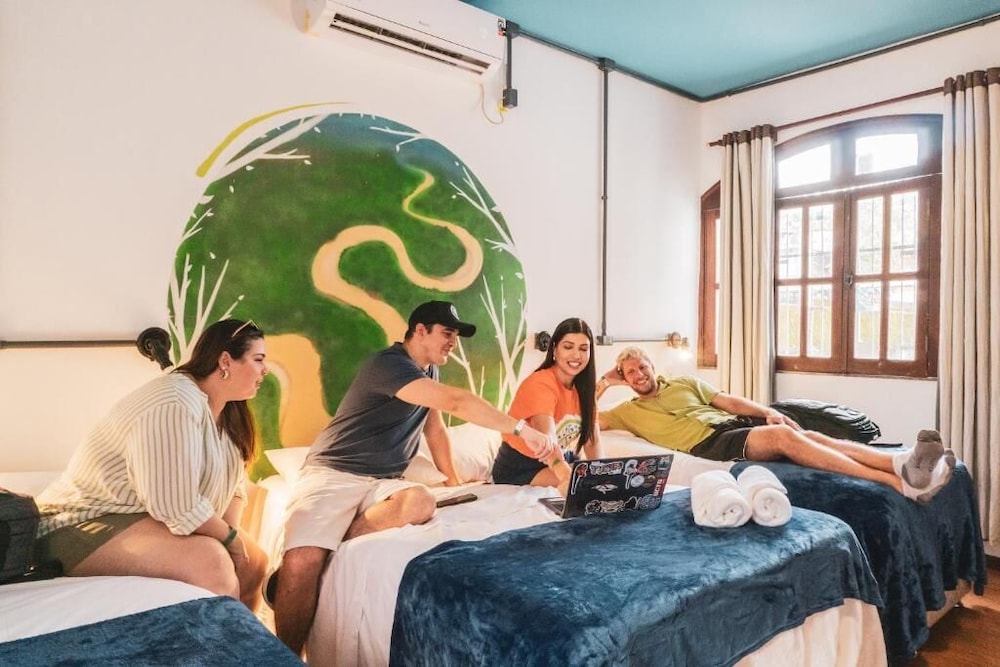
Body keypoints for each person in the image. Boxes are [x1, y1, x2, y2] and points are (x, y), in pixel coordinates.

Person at [270, 301, 557, 657]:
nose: (453, 342)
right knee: (302, 560)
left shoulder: (428, 372)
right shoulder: (388, 365)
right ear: (420, 330)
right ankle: (282, 656)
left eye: (456, 336)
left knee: (420, 500)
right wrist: (520, 429)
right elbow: (455, 402)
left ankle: (331, 542)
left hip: (383, 480)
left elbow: (434, 430)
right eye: (447, 333)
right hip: (335, 472)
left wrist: (454, 481)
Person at [34, 318, 270, 609]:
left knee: (255, 563)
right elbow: (176, 506)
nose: (265, 369)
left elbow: (235, 488)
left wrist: (230, 533)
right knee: (213, 563)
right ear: (225, 361)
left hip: (144, 518)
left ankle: (244, 640)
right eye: (258, 359)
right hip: (84, 522)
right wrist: (229, 540)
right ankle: (216, 640)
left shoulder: (228, 414)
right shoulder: (174, 401)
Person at [596, 346, 956, 503]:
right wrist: (604, 382)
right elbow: (582, 419)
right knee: (785, 438)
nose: (639, 375)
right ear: (624, 378)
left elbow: (729, 401)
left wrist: (768, 412)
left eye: (642, 367)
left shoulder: (684, 383)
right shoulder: (626, 412)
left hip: (730, 424)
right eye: (630, 372)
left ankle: (902, 463)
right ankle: (898, 483)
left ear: (652, 366)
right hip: (708, 442)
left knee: (806, 433)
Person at [492, 317, 604, 487]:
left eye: (583, 349)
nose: (576, 355)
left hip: (562, 457)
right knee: (587, 484)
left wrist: (603, 472)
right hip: (521, 467)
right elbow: (547, 440)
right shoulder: (540, 383)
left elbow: (592, 441)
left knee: (603, 481)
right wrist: (568, 477)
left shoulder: (585, 389)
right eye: (568, 347)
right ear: (555, 349)